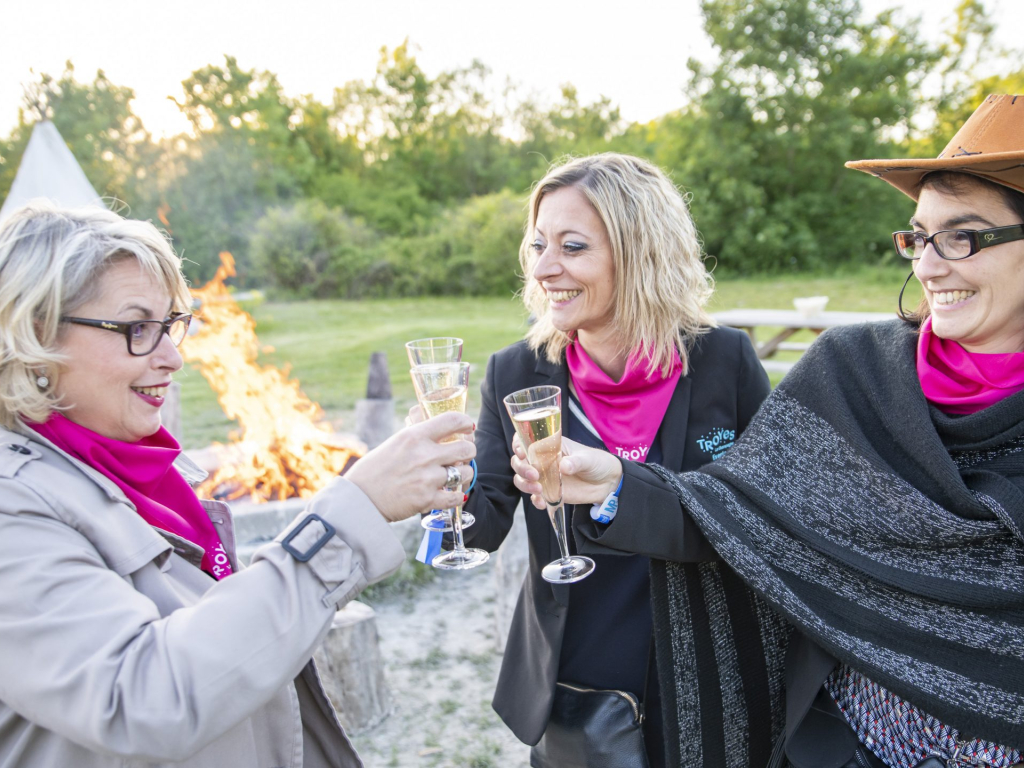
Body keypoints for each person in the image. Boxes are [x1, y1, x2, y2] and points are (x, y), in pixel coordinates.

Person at [512, 94, 1024, 766]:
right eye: (919, 237)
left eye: (961, 238)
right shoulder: (853, 373)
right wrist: (615, 484)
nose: (927, 266)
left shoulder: (728, 358)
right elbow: (739, 514)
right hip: (842, 744)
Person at [0, 202, 475, 768]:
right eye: (137, 328)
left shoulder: (138, 477)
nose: (172, 357)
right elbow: (145, 698)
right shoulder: (14, 507)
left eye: (170, 325)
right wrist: (353, 513)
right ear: (35, 336)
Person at [453, 153, 770, 767]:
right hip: (580, 673)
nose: (544, 268)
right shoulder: (516, 372)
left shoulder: (726, 362)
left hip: (705, 666)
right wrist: (445, 481)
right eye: (538, 244)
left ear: (640, 252)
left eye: (572, 247)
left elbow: (762, 519)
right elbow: (480, 525)